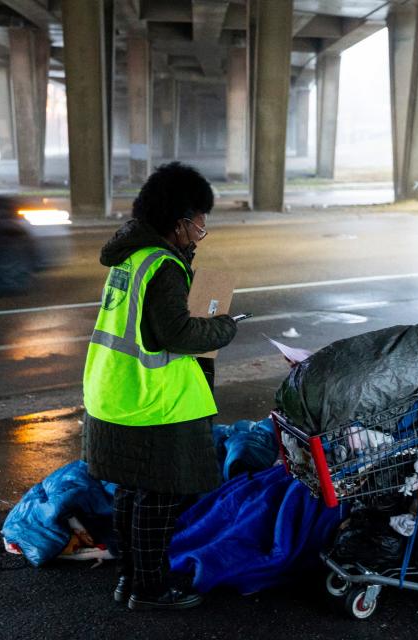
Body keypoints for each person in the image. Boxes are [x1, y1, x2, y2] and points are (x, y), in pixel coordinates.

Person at [81, 162, 238, 611]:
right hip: (154, 401)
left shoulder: (133, 256)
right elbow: (178, 334)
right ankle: (150, 590)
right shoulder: (163, 266)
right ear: (179, 221)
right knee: (161, 495)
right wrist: (223, 328)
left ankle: (130, 581)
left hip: (113, 392)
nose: (201, 230)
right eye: (199, 223)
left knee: (132, 490)